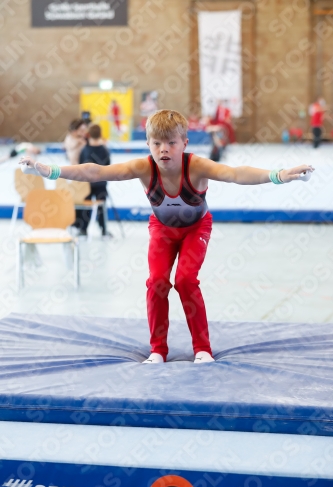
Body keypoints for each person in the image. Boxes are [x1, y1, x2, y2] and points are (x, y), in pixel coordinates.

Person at [19, 110, 314, 364]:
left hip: (196, 228)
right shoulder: (143, 168)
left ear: (184, 143)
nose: (164, 150)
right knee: (157, 282)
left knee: (185, 280)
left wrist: (280, 174)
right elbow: (96, 171)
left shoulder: (196, 166)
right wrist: (50, 170)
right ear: (148, 144)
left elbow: (236, 173)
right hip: (161, 229)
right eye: (157, 143)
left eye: (171, 143)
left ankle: (202, 349)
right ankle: (158, 349)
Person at [76, 123, 112, 237]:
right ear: (100, 134)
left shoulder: (84, 150)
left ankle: (83, 229)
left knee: (86, 207)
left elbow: (80, 165)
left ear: (89, 134)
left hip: (87, 184)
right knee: (101, 208)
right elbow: (108, 165)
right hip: (101, 183)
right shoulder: (104, 150)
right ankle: (103, 229)